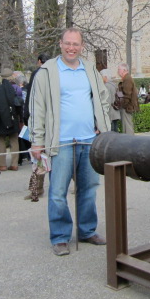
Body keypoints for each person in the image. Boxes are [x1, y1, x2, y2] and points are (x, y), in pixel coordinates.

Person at [29, 28, 111, 255]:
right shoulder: (47, 72)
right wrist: (37, 141)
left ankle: (87, 230)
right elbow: (37, 108)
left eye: (75, 44)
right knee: (57, 192)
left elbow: (102, 98)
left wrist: (101, 124)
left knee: (89, 189)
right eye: (67, 43)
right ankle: (60, 237)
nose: (71, 48)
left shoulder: (90, 69)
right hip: (61, 142)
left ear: (82, 46)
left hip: (89, 140)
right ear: (60, 44)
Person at [23, 53, 50, 201]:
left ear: (39, 61)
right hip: (48, 119)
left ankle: (37, 189)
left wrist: (27, 117)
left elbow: (31, 99)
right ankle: (37, 188)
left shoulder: (38, 74)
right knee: (41, 156)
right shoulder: (51, 72)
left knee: (40, 156)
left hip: (43, 119)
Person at [0, 68, 21, 172]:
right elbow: (19, 104)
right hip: (13, 117)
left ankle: (2, 164)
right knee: (14, 140)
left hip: (1, 119)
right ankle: (14, 163)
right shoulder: (15, 88)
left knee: (1, 140)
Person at [117, 63, 139, 134]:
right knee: (126, 126)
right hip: (126, 106)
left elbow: (127, 94)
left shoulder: (127, 79)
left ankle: (130, 140)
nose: (118, 71)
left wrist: (123, 104)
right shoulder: (126, 79)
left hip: (126, 107)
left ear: (124, 70)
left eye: (119, 69)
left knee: (127, 127)